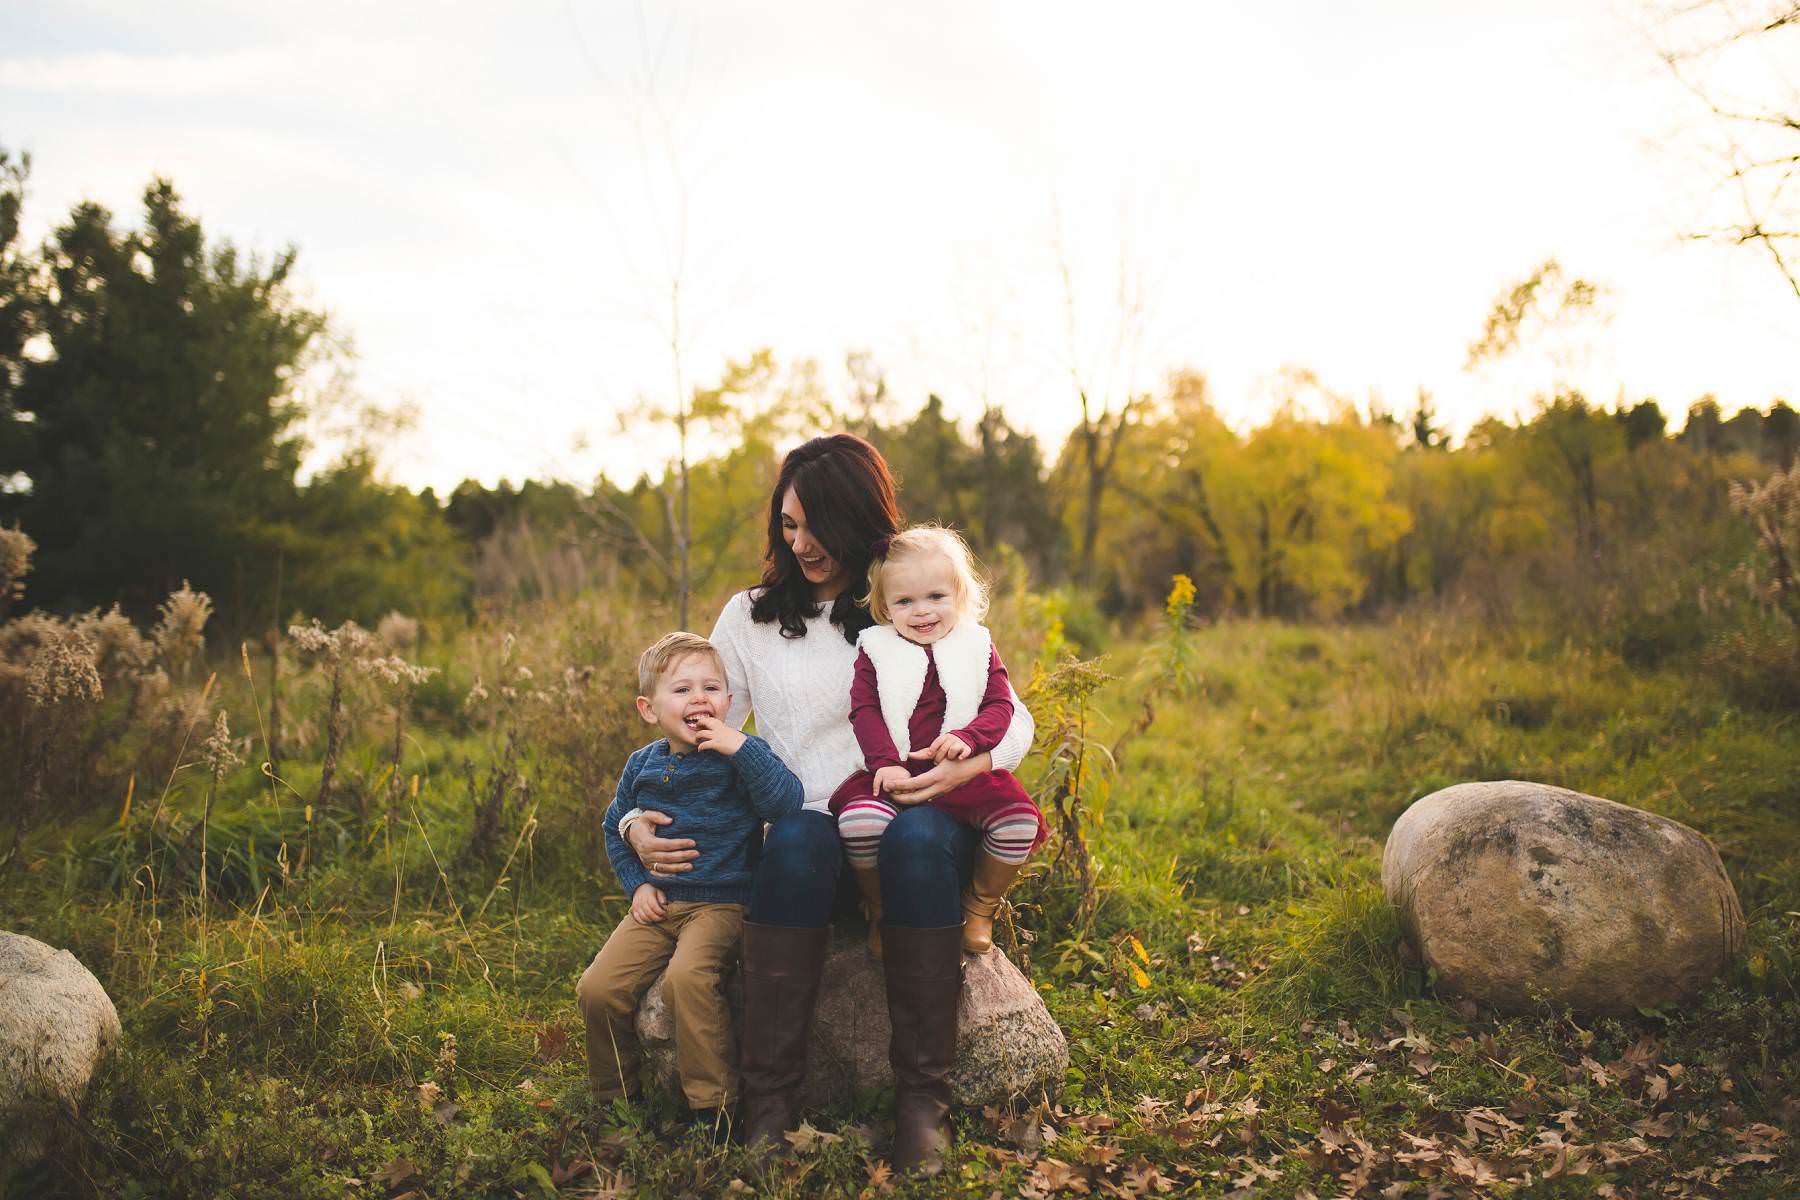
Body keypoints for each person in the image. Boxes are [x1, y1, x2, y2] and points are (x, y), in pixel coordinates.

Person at [617, 434, 1035, 1175]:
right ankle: (770, 1105)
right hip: (806, 839)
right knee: (801, 837)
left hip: (912, 827)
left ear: (858, 516)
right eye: (788, 525)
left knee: (912, 837)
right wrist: (637, 819)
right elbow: (702, 726)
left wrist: (962, 765)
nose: (802, 543)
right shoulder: (748, 619)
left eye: (816, 524)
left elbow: (1011, 712)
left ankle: (921, 1107)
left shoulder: (907, 600)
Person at [576, 632, 803, 1133]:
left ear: (728, 700)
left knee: (687, 980)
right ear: (649, 708)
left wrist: (741, 747)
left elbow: (785, 804)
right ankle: (616, 1100)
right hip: (659, 905)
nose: (699, 698)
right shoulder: (643, 763)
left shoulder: (742, 753)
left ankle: (713, 1108)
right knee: (597, 988)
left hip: (722, 906)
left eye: (712, 687)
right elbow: (614, 825)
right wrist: (637, 884)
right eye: (681, 690)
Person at [831, 526, 1046, 960]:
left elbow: (1000, 705)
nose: (922, 611)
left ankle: (981, 905)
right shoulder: (875, 650)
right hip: (896, 770)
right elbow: (865, 710)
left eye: (936, 597)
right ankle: (878, 907)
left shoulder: (977, 646)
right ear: (885, 608)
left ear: (960, 597)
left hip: (960, 771)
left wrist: (969, 739)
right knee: (859, 823)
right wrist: (883, 763)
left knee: (1019, 822)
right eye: (904, 601)